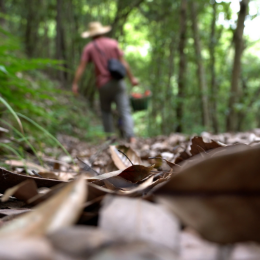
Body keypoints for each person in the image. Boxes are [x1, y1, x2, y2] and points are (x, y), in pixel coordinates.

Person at [72, 21, 138, 143]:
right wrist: (132, 78)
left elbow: (82, 67)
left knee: (106, 111)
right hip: (118, 82)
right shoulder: (113, 44)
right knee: (125, 110)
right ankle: (131, 137)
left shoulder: (89, 48)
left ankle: (110, 139)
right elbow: (124, 62)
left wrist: (75, 83)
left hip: (103, 84)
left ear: (91, 34)